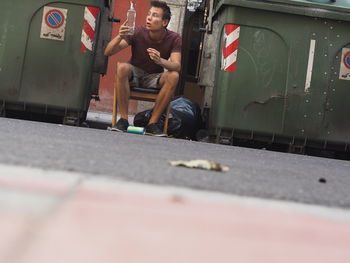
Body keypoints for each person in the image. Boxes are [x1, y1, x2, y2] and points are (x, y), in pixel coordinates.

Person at [104, 0, 182, 136]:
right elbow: (108, 52)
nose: (149, 18)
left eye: (155, 15)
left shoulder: (174, 38)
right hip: (135, 73)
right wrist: (119, 36)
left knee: (174, 76)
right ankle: (123, 120)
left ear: (164, 22)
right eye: (149, 14)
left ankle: (152, 124)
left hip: (155, 77)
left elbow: (176, 66)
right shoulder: (137, 32)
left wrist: (160, 61)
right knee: (122, 67)